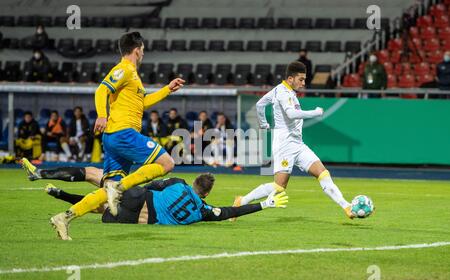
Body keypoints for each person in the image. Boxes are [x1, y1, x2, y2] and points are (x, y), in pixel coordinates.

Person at [49, 31, 185, 240]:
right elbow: (101, 90)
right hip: (123, 133)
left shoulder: (132, 76)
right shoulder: (124, 69)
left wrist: (167, 89)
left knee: (107, 192)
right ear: (137, 50)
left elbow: (143, 103)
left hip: (115, 138)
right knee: (167, 163)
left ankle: (64, 218)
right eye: (143, 49)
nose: (144, 53)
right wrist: (102, 116)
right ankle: (120, 187)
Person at [235, 61, 356, 219]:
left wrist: (264, 124)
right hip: (284, 144)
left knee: (323, 173)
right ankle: (241, 202)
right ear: (290, 78)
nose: (303, 83)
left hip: (297, 143)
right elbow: (291, 114)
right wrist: (315, 112)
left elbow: (260, 104)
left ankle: (346, 206)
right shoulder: (284, 93)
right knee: (279, 186)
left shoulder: (280, 90)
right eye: (301, 79)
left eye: (304, 79)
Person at [22, 164, 288, 230]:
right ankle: (61, 196)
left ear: (195, 183)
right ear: (206, 193)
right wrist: (265, 204)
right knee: (100, 210)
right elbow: (231, 212)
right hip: (143, 219)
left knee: (100, 184)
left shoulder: (178, 182)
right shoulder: (204, 211)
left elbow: (153, 184)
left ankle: (54, 184)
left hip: (139, 197)